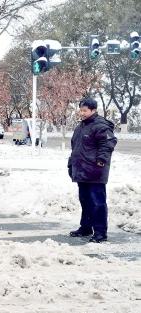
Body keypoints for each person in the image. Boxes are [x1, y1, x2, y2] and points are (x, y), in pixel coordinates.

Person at [68, 98, 117, 243]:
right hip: (82, 170)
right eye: (81, 110)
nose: (82, 113)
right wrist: (71, 163)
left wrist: (101, 161)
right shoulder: (81, 127)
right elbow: (75, 147)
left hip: (95, 170)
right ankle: (86, 228)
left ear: (93, 110)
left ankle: (100, 233)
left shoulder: (101, 126)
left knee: (97, 202)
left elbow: (108, 143)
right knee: (85, 201)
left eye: (85, 110)